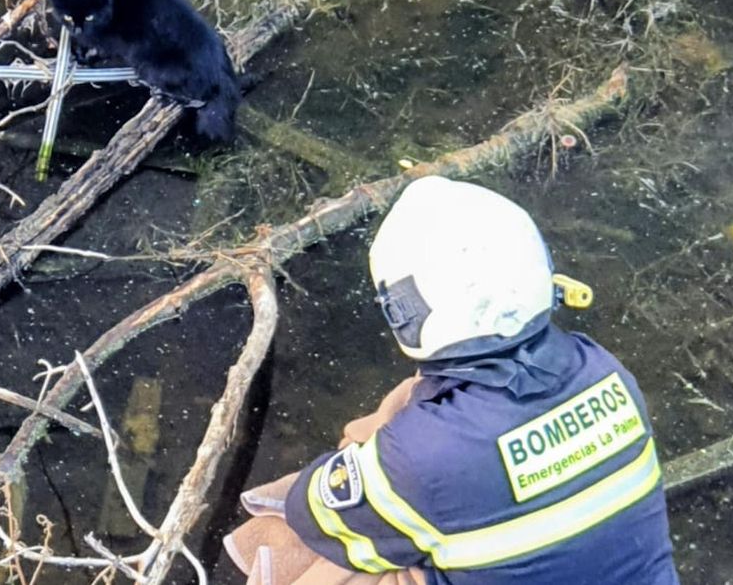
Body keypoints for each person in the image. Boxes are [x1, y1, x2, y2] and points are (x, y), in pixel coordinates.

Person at [225, 176, 680, 585]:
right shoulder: (607, 371)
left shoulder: (423, 454)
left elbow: (313, 514)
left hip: (405, 477)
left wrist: (367, 452)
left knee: (341, 558)